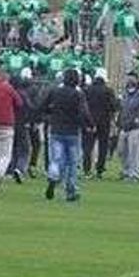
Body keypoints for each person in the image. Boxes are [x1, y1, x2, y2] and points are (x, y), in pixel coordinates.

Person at [42, 69, 93, 203]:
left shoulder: (55, 92)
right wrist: (89, 125)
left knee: (56, 158)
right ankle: (71, 190)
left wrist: (49, 116)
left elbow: (43, 106)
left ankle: (53, 175)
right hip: (72, 131)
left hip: (56, 129)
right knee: (72, 163)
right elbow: (83, 112)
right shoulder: (78, 94)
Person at [84, 68, 120, 179]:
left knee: (88, 146)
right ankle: (99, 169)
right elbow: (114, 106)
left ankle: (87, 169)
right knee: (103, 146)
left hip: (90, 121)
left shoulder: (88, 90)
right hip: (104, 121)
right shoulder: (108, 91)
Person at [118, 73, 139, 181]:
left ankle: (134, 173)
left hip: (136, 128)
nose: (128, 85)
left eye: (131, 83)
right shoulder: (125, 96)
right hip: (124, 127)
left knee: (134, 152)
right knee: (121, 150)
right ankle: (126, 170)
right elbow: (122, 110)